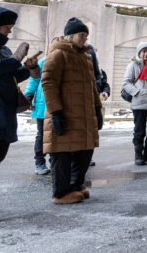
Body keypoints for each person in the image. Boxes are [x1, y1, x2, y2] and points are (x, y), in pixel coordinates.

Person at [41, 17, 103, 204]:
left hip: (84, 115)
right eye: (82, 35)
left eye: (86, 35)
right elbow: (48, 83)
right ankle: (60, 193)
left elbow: (93, 87)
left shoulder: (86, 57)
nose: (85, 38)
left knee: (85, 150)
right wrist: (56, 112)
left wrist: (98, 109)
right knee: (62, 153)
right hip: (65, 113)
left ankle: (75, 185)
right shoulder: (59, 54)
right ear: (71, 35)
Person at [0, 7, 39, 166]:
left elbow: (13, 76)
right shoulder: (10, 55)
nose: (9, 32)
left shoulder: (4, 50)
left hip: (6, 115)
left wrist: (27, 68)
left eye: (11, 28)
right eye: (6, 27)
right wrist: (15, 59)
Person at [24, 55, 51, 175]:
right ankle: (39, 162)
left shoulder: (67, 59)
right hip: (43, 104)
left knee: (58, 135)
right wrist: (28, 94)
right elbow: (34, 78)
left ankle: (55, 161)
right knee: (42, 134)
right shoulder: (43, 61)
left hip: (60, 105)